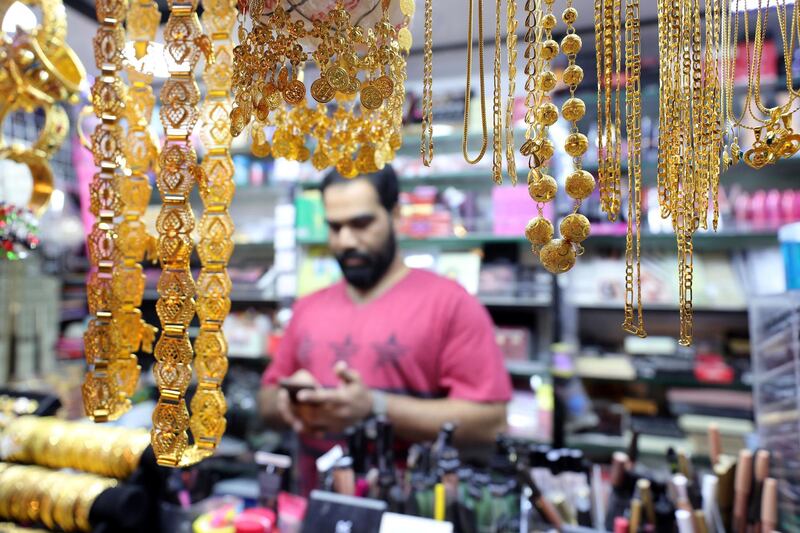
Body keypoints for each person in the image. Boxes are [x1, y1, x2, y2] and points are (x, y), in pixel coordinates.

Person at [258, 165, 512, 487]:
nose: (346, 240)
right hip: (318, 506)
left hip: (411, 509)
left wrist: (374, 407)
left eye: (361, 224)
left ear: (394, 215)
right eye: (335, 227)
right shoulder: (308, 307)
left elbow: (490, 423)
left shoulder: (451, 304)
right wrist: (288, 403)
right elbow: (266, 400)